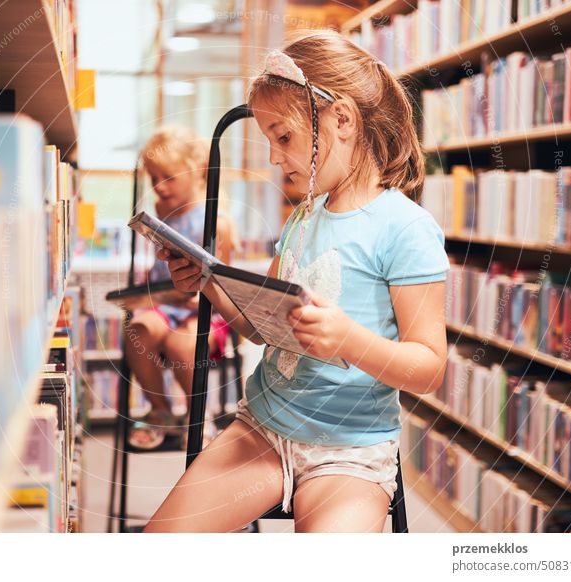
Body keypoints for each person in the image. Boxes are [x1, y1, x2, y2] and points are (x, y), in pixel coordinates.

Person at [144, 30, 450, 532]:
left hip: (348, 454)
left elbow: (428, 367)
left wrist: (348, 339)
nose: (274, 157)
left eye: (282, 137)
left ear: (343, 119)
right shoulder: (301, 217)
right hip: (262, 427)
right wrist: (210, 283)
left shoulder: (406, 228)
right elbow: (263, 327)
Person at [125, 125, 233, 450]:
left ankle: (198, 415)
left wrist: (193, 301)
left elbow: (224, 287)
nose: (159, 187)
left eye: (169, 177)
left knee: (183, 346)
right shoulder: (159, 212)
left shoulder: (216, 220)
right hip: (164, 305)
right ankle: (161, 411)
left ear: (197, 171)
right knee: (137, 331)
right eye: (153, 178)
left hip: (207, 311)